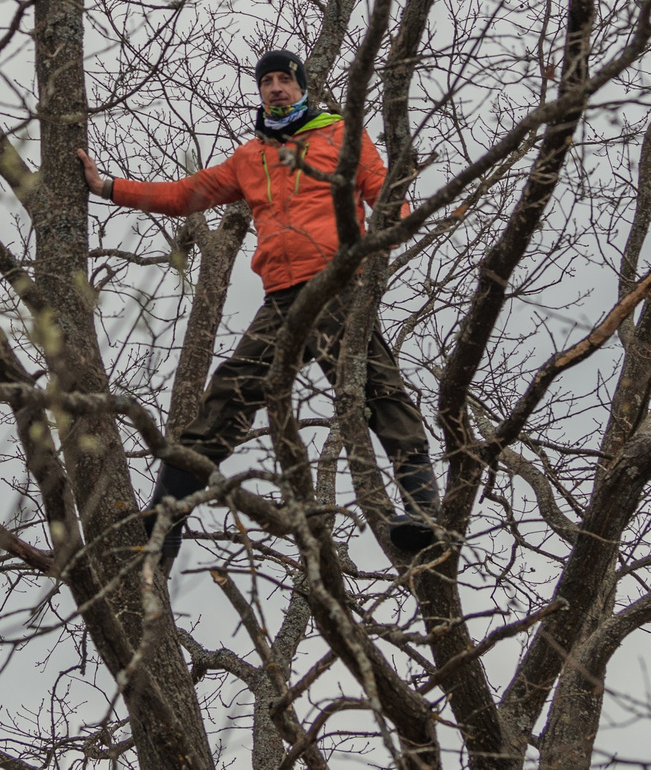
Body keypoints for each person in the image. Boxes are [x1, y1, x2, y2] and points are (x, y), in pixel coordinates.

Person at [78, 48, 442, 572]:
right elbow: (186, 194)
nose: (275, 88)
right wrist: (110, 187)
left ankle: (425, 514)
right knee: (227, 397)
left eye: (285, 80)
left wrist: (383, 238)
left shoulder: (343, 134)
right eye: (266, 80)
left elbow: (387, 196)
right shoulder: (251, 158)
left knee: (379, 392)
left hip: (338, 283)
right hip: (283, 298)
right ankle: (163, 527)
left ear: (303, 86)